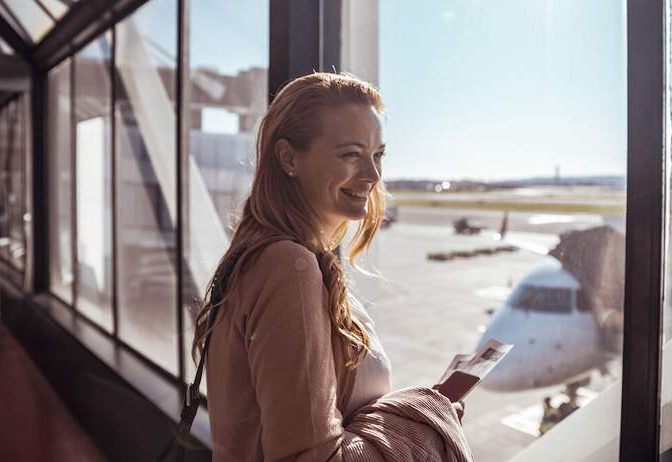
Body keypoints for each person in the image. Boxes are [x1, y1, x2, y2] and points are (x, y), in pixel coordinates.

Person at [191, 72, 471, 461]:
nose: (373, 176)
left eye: (378, 155)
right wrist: (425, 418)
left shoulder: (266, 255)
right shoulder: (289, 267)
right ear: (289, 158)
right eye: (351, 154)